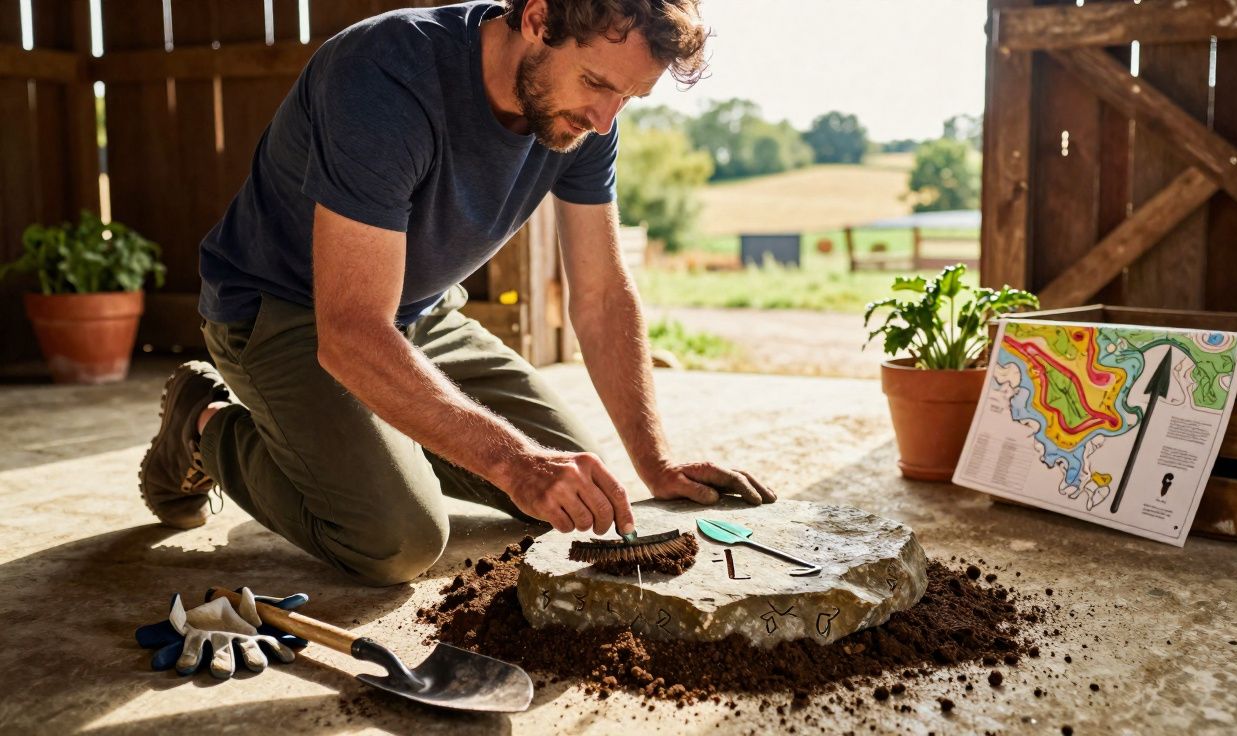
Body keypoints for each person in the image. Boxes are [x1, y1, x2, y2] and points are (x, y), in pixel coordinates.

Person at [138, 0, 775, 586]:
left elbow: (603, 293)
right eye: (598, 83)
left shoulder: (585, 119)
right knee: (398, 541)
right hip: (286, 315)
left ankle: (377, 441)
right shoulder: (384, 75)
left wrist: (656, 461)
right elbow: (352, 329)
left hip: (423, 315)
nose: (605, 118)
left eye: (629, 98)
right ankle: (204, 424)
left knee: (577, 497)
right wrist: (512, 461)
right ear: (537, 18)